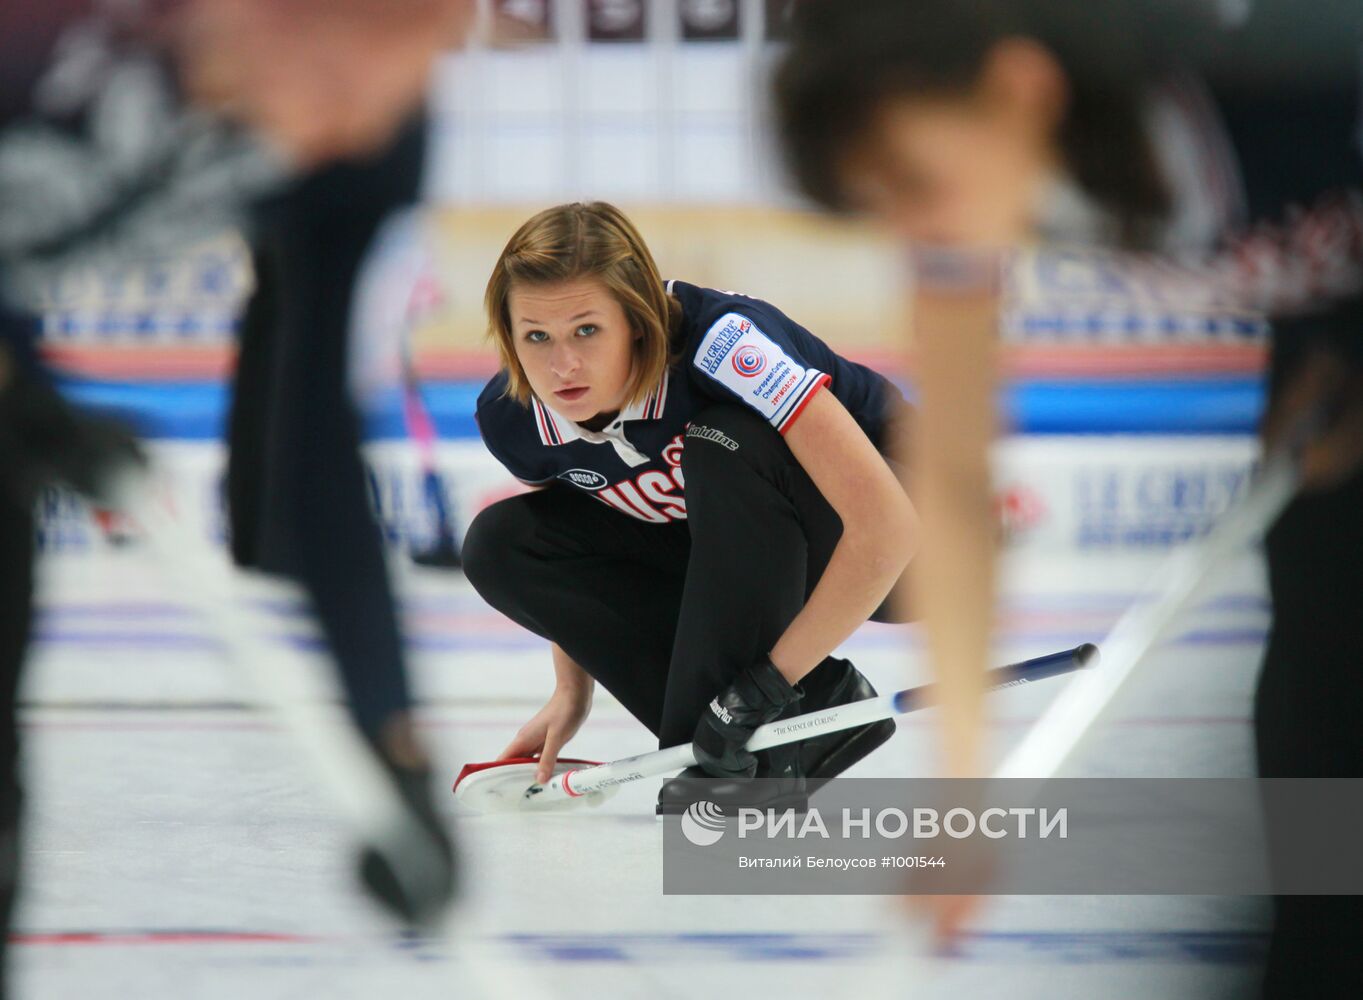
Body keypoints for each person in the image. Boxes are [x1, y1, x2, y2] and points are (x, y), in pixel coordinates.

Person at [772, 0, 1363, 994]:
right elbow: (953, 482)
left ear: (1018, 85)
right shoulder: (978, 187)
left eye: (917, 183)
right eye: (882, 203)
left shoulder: (1294, 68)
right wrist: (963, 792)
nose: (916, 231)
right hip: (1328, 372)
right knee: (1321, 710)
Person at [0, 1, 475, 983]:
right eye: (351, 63)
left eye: (422, 57)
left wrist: (388, 743)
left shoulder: (365, 132)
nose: (369, 123)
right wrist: (27, 390)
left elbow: (313, 439)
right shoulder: (36, 45)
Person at [460, 201, 918, 810]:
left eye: (587, 331)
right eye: (536, 337)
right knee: (503, 543)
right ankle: (779, 739)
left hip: (917, 546)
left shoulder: (723, 346)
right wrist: (571, 691)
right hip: (753, 547)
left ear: (639, 321)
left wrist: (770, 684)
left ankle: (776, 721)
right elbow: (568, 534)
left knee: (722, 440)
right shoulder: (515, 417)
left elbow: (888, 527)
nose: (561, 365)